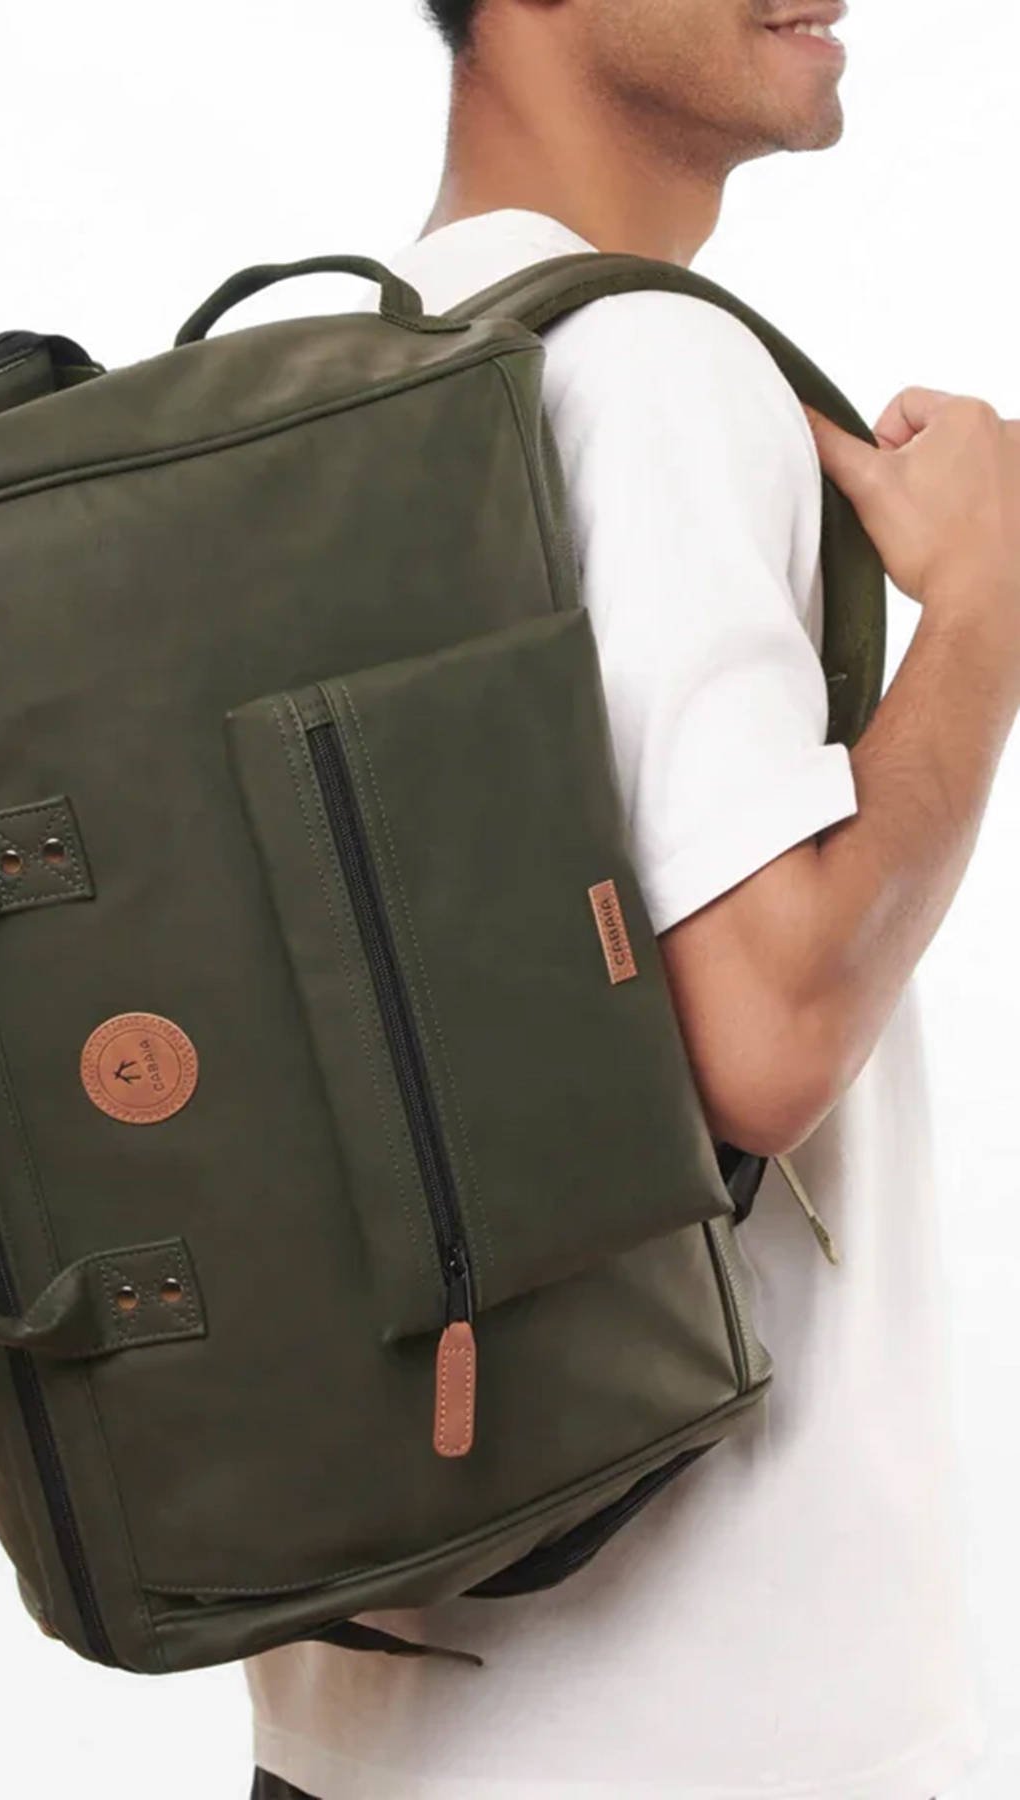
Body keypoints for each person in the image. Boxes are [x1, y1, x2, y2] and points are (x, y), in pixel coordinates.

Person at [245, 2, 1019, 1796]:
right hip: (694, 1724)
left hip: (356, 1713)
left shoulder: (340, 361)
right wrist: (983, 618)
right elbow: (767, 1038)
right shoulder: (652, 367)